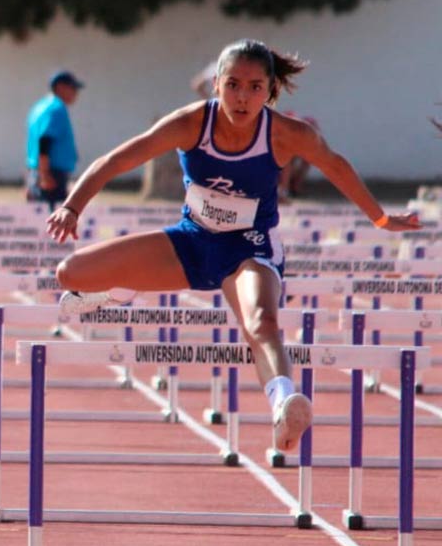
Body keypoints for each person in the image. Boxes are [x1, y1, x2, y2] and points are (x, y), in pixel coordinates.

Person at [46, 39, 421, 454]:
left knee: (261, 322)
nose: (243, 97)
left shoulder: (285, 133)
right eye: (233, 85)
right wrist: (71, 207)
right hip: (192, 241)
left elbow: (336, 166)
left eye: (255, 87)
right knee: (70, 273)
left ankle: (283, 404)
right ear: (215, 85)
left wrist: (381, 218)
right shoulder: (190, 124)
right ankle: (121, 289)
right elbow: (117, 160)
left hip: (250, 249)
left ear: (270, 89)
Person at [26, 70, 84, 210]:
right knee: (54, 219)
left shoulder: (40, 106)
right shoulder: (56, 108)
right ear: (60, 87)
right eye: (73, 88)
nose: (76, 93)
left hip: (39, 170)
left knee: (40, 215)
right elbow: (45, 140)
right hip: (52, 174)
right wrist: (45, 175)